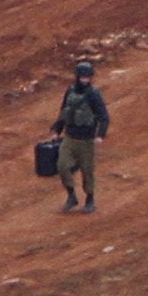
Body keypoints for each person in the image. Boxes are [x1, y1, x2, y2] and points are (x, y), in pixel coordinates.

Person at [52, 59, 110, 214]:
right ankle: (71, 196)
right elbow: (64, 112)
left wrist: (100, 135)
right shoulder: (70, 92)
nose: (85, 79)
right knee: (62, 166)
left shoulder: (93, 94)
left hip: (86, 140)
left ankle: (90, 200)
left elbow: (103, 116)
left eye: (87, 77)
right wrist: (57, 131)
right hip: (70, 137)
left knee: (87, 171)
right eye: (82, 76)